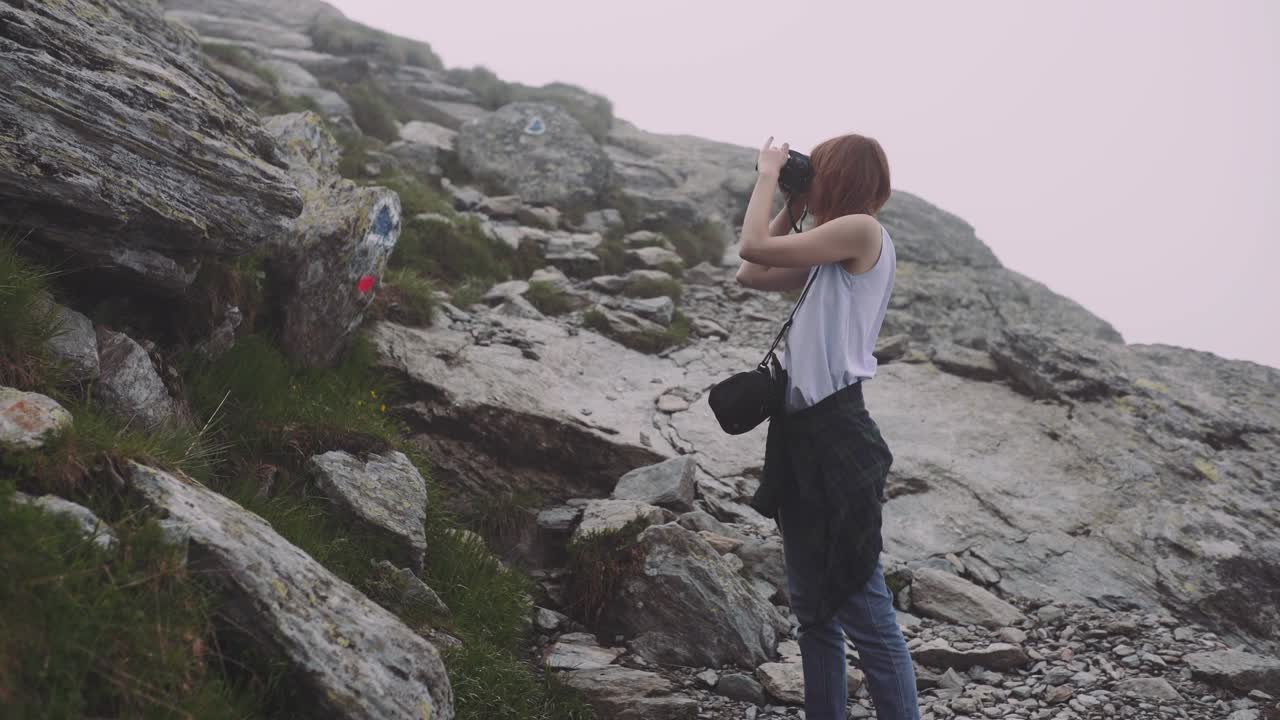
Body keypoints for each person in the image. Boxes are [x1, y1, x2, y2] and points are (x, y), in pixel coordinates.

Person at [735, 133, 919, 720]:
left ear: (838, 176)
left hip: (839, 432)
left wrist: (768, 174)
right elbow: (750, 271)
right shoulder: (828, 252)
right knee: (813, 610)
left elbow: (751, 241)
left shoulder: (861, 231)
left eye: (816, 172)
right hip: (800, 434)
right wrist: (794, 200)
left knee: (864, 610)